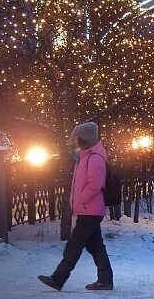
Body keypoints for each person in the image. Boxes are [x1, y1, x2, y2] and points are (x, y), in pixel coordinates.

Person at [38, 122, 113, 291]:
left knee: (74, 244)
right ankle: (105, 279)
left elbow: (95, 184)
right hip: (88, 210)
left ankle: (58, 278)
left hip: (90, 210)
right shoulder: (85, 158)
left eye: (76, 138)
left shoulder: (94, 159)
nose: (73, 141)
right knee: (95, 246)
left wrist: (81, 201)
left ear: (84, 139)